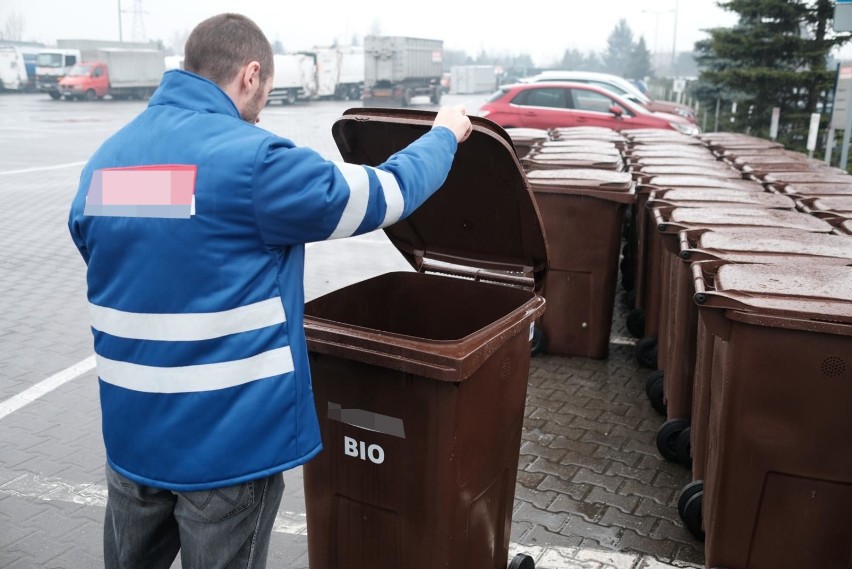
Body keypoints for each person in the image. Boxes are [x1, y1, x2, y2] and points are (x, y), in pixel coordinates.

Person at [67, 12, 472, 569]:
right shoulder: (253, 162)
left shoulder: (106, 163)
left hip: (133, 439)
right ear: (250, 75)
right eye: (267, 91)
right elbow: (386, 195)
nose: (264, 107)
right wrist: (445, 135)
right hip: (225, 446)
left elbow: (99, 243)